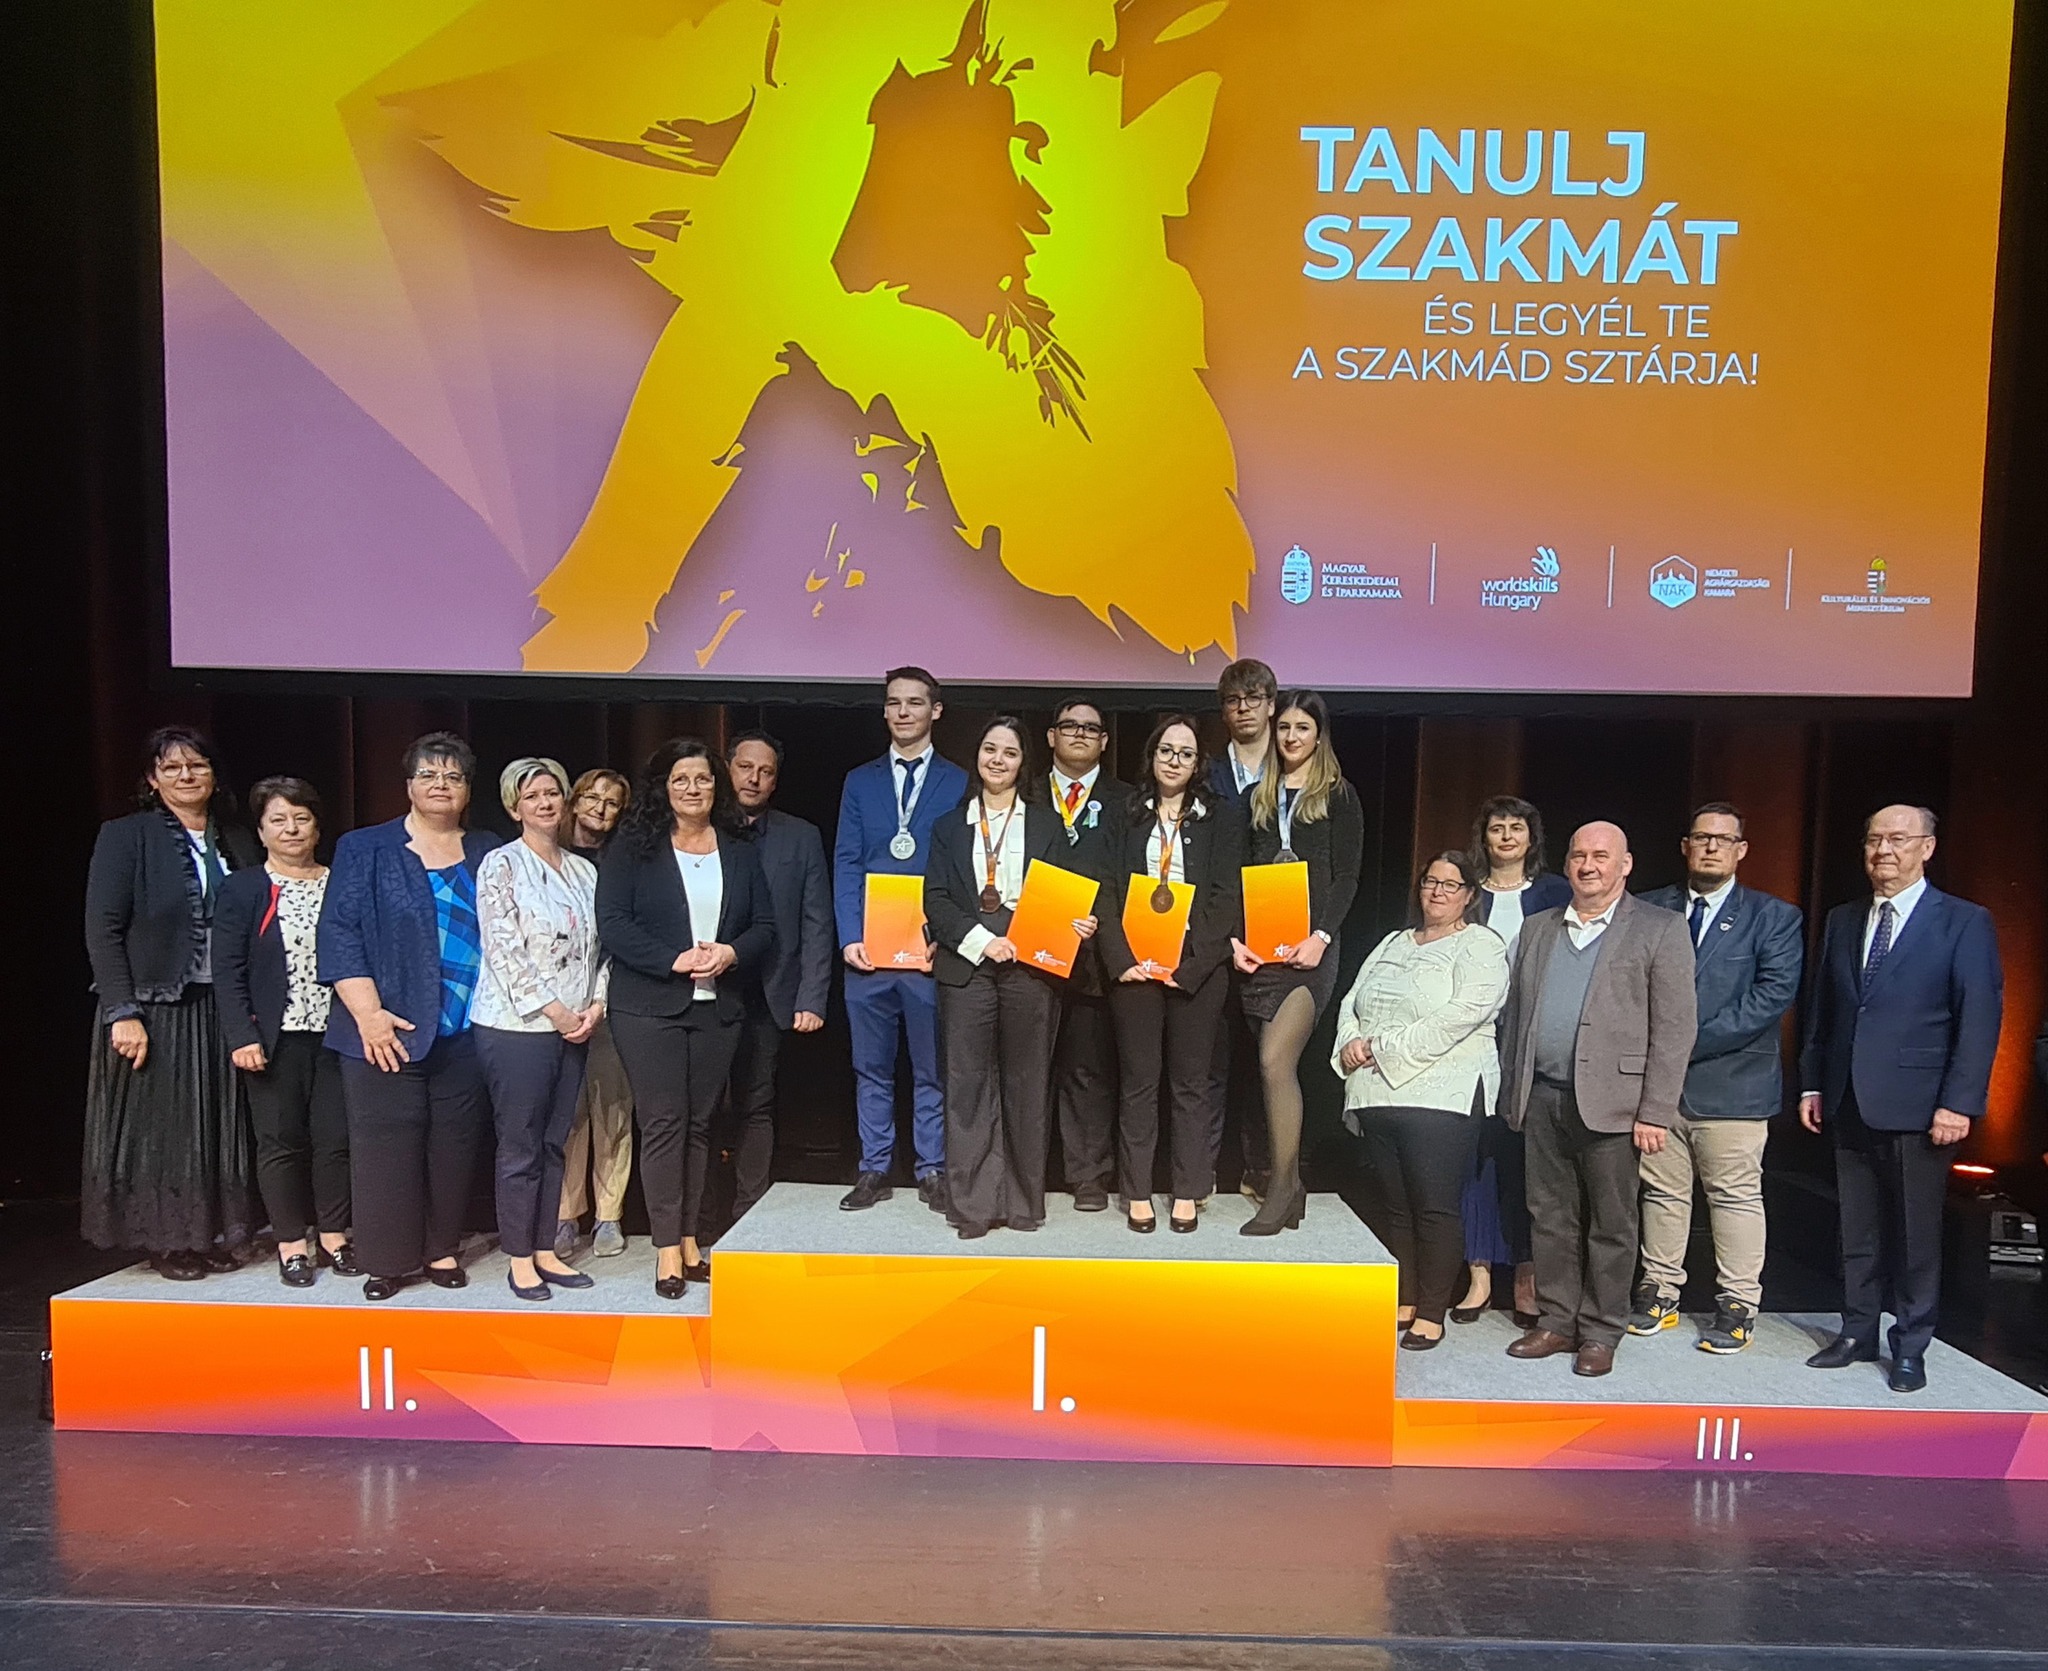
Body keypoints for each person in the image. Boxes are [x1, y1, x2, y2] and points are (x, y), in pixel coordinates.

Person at [1799, 805, 2003, 1394]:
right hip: (1847, 1097)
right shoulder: (1843, 919)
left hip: (1922, 1106)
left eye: (1897, 839)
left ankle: (1910, 1344)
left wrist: (1958, 1102)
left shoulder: (1963, 921)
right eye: (1873, 840)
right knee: (1855, 1230)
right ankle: (1857, 1331)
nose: (1883, 850)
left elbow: (1979, 1018)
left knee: (1915, 1235)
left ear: (1927, 848)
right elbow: (1824, 1012)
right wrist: (1813, 1082)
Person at [1496, 822, 1696, 1377]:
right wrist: (1515, 1091)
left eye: (1601, 856)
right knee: (1549, 1216)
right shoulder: (1537, 928)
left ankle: (1602, 1331)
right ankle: (1557, 1322)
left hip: (1617, 1105)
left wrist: (1655, 1111)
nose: (1588, 865)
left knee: (1611, 1224)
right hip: (1543, 1097)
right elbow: (1516, 1017)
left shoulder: (1660, 928)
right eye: (1579, 855)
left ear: (1625, 865)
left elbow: (1675, 1028)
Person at [319, 732, 499, 1301]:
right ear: (408, 786)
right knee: (386, 1148)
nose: (440, 785)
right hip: (382, 1029)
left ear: (468, 789)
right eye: (428, 775)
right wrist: (369, 1014)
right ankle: (388, 1261)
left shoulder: (490, 850)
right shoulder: (365, 848)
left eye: (453, 776)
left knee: (454, 1145)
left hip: (467, 1027)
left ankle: (442, 1248)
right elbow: (339, 933)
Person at [82, 727, 262, 1280]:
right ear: (152, 780)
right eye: (172, 768)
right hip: (155, 1005)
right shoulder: (126, 836)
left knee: (217, 1127)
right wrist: (123, 1011)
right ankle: (167, 1242)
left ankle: (207, 1235)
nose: (187, 776)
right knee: (165, 1131)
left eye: (197, 765)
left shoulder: (238, 840)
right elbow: (102, 929)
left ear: (214, 775)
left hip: (221, 1004)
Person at [598, 739, 775, 1297]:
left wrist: (731, 953)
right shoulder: (633, 846)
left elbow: (765, 926)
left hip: (717, 1007)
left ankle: (692, 1239)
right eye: (681, 779)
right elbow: (613, 922)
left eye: (702, 779)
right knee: (665, 1124)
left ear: (716, 786)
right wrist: (671, 960)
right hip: (648, 1007)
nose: (692, 789)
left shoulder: (739, 849)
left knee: (701, 1126)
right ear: (664, 787)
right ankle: (666, 1249)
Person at [1632, 803, 1803, 1352]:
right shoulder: (1647, 908)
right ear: (1685, 846)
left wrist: (1677, 1046)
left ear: (1741, 851)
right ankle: (1659, 1293)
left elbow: (1769, 998)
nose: (1711, 847)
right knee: (1662, 1193)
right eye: (1701, 838)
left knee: (1733, 1198)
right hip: (1659, 1091)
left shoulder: (1773, 917)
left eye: (1723, 840)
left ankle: (1738, 1305)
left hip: (1733, 1087)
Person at [926, 717, 1097, 1238]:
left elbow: (1066, 891)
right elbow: (936, 900)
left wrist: (1079, 923)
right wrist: (984, 941)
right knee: (968, 1086)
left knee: (1027, 1084)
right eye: (989, 749)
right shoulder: (948, 827)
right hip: (968, 964)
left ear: (1023, 764)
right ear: (977, 757)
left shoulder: (1046, 825)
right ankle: (973, 1207)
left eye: (1009, 752)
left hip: (1031, 965)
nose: (997, 760)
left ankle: (1023, 1203)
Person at [1333, 852, 1508, 1348]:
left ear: (1469, 896)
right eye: (1431, 881)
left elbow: (1463, 1014)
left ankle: (1432, 1310)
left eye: (1451, 885)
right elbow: (1352, 1001)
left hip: (1442, 1093)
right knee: (1395, 1205)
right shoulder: (1393, 941)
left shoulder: (1480, 944)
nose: (1437, 892)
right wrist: (1351, 1042)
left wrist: (1384, 1047)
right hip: (1377, 1091)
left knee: (1434, 1206)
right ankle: (1407, 1297)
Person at [1097, 717, 1246, 1233]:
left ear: (1198, 762)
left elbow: (1226, 896)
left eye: (1185, 753)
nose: (1174, 760)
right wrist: (1121, 961)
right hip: (1137, 964)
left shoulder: (1220, 818)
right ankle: (1137, 1191)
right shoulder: (1126, 812)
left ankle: (1188, 1190)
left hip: (1195, 967)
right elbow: (1106, 889)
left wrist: (1194, 965)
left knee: (1191, 1085)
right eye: (1166, 750)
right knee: (1139, 1084)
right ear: (1152, 755)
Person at [832, 668, 969, 1212]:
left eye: (915, 702)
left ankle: (932, 1168)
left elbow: (961, 870)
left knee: (932, 1068)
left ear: (936, 711)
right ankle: (874, 1167)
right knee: (871, 1067)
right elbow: (846, 861)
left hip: (928, 950)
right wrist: (849, 936)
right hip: (868, 951)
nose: (904, 712)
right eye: (894, 703)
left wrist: (948, 939)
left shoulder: (959, 781)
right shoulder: (859, 780)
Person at [472, 758, 606, 1302]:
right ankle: (519, 1257)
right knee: (521, 1144)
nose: (545, 803)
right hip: (517, 1027)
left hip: (577, 1025)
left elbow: (601, 949)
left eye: (552, 793)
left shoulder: (584, 871)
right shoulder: (500, 865)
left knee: (556, 1141)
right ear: (514, 808)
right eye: (532, 797)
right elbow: (503, 949)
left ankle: (546, 1247)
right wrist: (556, 1012)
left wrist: (596, 1006)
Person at [1230, 691, 1363, 1235]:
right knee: (1265, 1068)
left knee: (1274, 1062)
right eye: (1283, 727)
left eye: (1302, 728)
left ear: (1319, 735)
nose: (1290, 737)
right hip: (1262, 952)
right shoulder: (1255, 798)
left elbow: (1347, 876)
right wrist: (1236, 940)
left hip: (1310, 954)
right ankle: (1290, 1186)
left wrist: (1321, 937)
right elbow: (1237, 873)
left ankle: (1283, 1184)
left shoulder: (1338, 795)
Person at [214, 777, 353, 1287]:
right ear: (261, 831)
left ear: (317, 827)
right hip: (274, 1038)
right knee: (281, 1143)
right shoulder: (244, 888)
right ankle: (292, 1245)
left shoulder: (341, 882)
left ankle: (334, 1237)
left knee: (335, 1141)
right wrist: (241, 1035)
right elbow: (228, 969)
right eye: (278, 820)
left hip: (338, 1035)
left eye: (301, 818)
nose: (291, 829)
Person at [1455, 795, 1572, 1325]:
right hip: (1470, 1043)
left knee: (1528, 1164)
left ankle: (1527, 1276)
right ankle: (1478, 1276)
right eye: (1497, 827)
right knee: (1474, 1159)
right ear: (1483, 837)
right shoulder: (1465, 892)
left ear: (1531, 837)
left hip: (1531, 1044)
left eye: (1516, 828)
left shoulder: (1555, 894)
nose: (1506, 837)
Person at [723, 729, 832, 1223]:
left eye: (766, 772)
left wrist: (812, 996)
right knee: (702, 1107)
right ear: (728, 769)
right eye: (746, 767)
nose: (754, 778)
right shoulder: (700, 827)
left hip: (772, 991)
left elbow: (817, 919)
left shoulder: (800, 835)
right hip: (706, 990)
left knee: (757, 1103)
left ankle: (748, 1211)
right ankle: (697, 1217)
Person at [1045, 697, 1126, 1211]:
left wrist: (1105, 924)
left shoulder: (1128, 801)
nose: (1079, 733)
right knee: (1026, 1070)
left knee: (1087, 1069)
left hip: (1096, 954)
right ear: (1051, 736)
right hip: (1027, 951)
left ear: (1104, 741)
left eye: (1090, 728)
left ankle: (1089, 1176)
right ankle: (1024, 1173)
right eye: (1069, 725)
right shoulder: (1023, 793)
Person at [556, 768, 634, 1259]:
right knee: (568, 1112)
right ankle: (566, 1216)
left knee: (612, 1108)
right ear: (574, 800)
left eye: (611, 803)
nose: (600, 809)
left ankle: (609, 1215)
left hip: (613, 1001)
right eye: (592, 798)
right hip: (560, 1005)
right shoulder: (550, 856)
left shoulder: (624, 862)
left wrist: (601, 999)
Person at [1208, 658, 1277, 1201]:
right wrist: (1225, 933)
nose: (1244, 709)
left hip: (1279, 934)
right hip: (1216, 933)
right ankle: (1201, 1172)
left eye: (1254, 698)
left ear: (1271, 706)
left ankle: (1263, 1170)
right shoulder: (1206, 773)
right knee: (1209, 1061)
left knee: (1267, 1063)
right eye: (1234, 701)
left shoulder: (1297, 769)